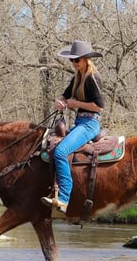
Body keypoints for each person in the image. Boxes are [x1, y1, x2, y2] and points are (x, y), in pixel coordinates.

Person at [41, 40, 105, 215]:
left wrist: (76, 103)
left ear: (85, 60)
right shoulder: (77, 77)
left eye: (76, 60)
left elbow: (99, 107)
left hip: (90, 123)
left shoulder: (93, 78)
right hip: (79, 123)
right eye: (72, 60)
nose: (74, 63)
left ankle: (63, 198)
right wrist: (60, 100)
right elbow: (65, 94)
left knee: (61, 151)